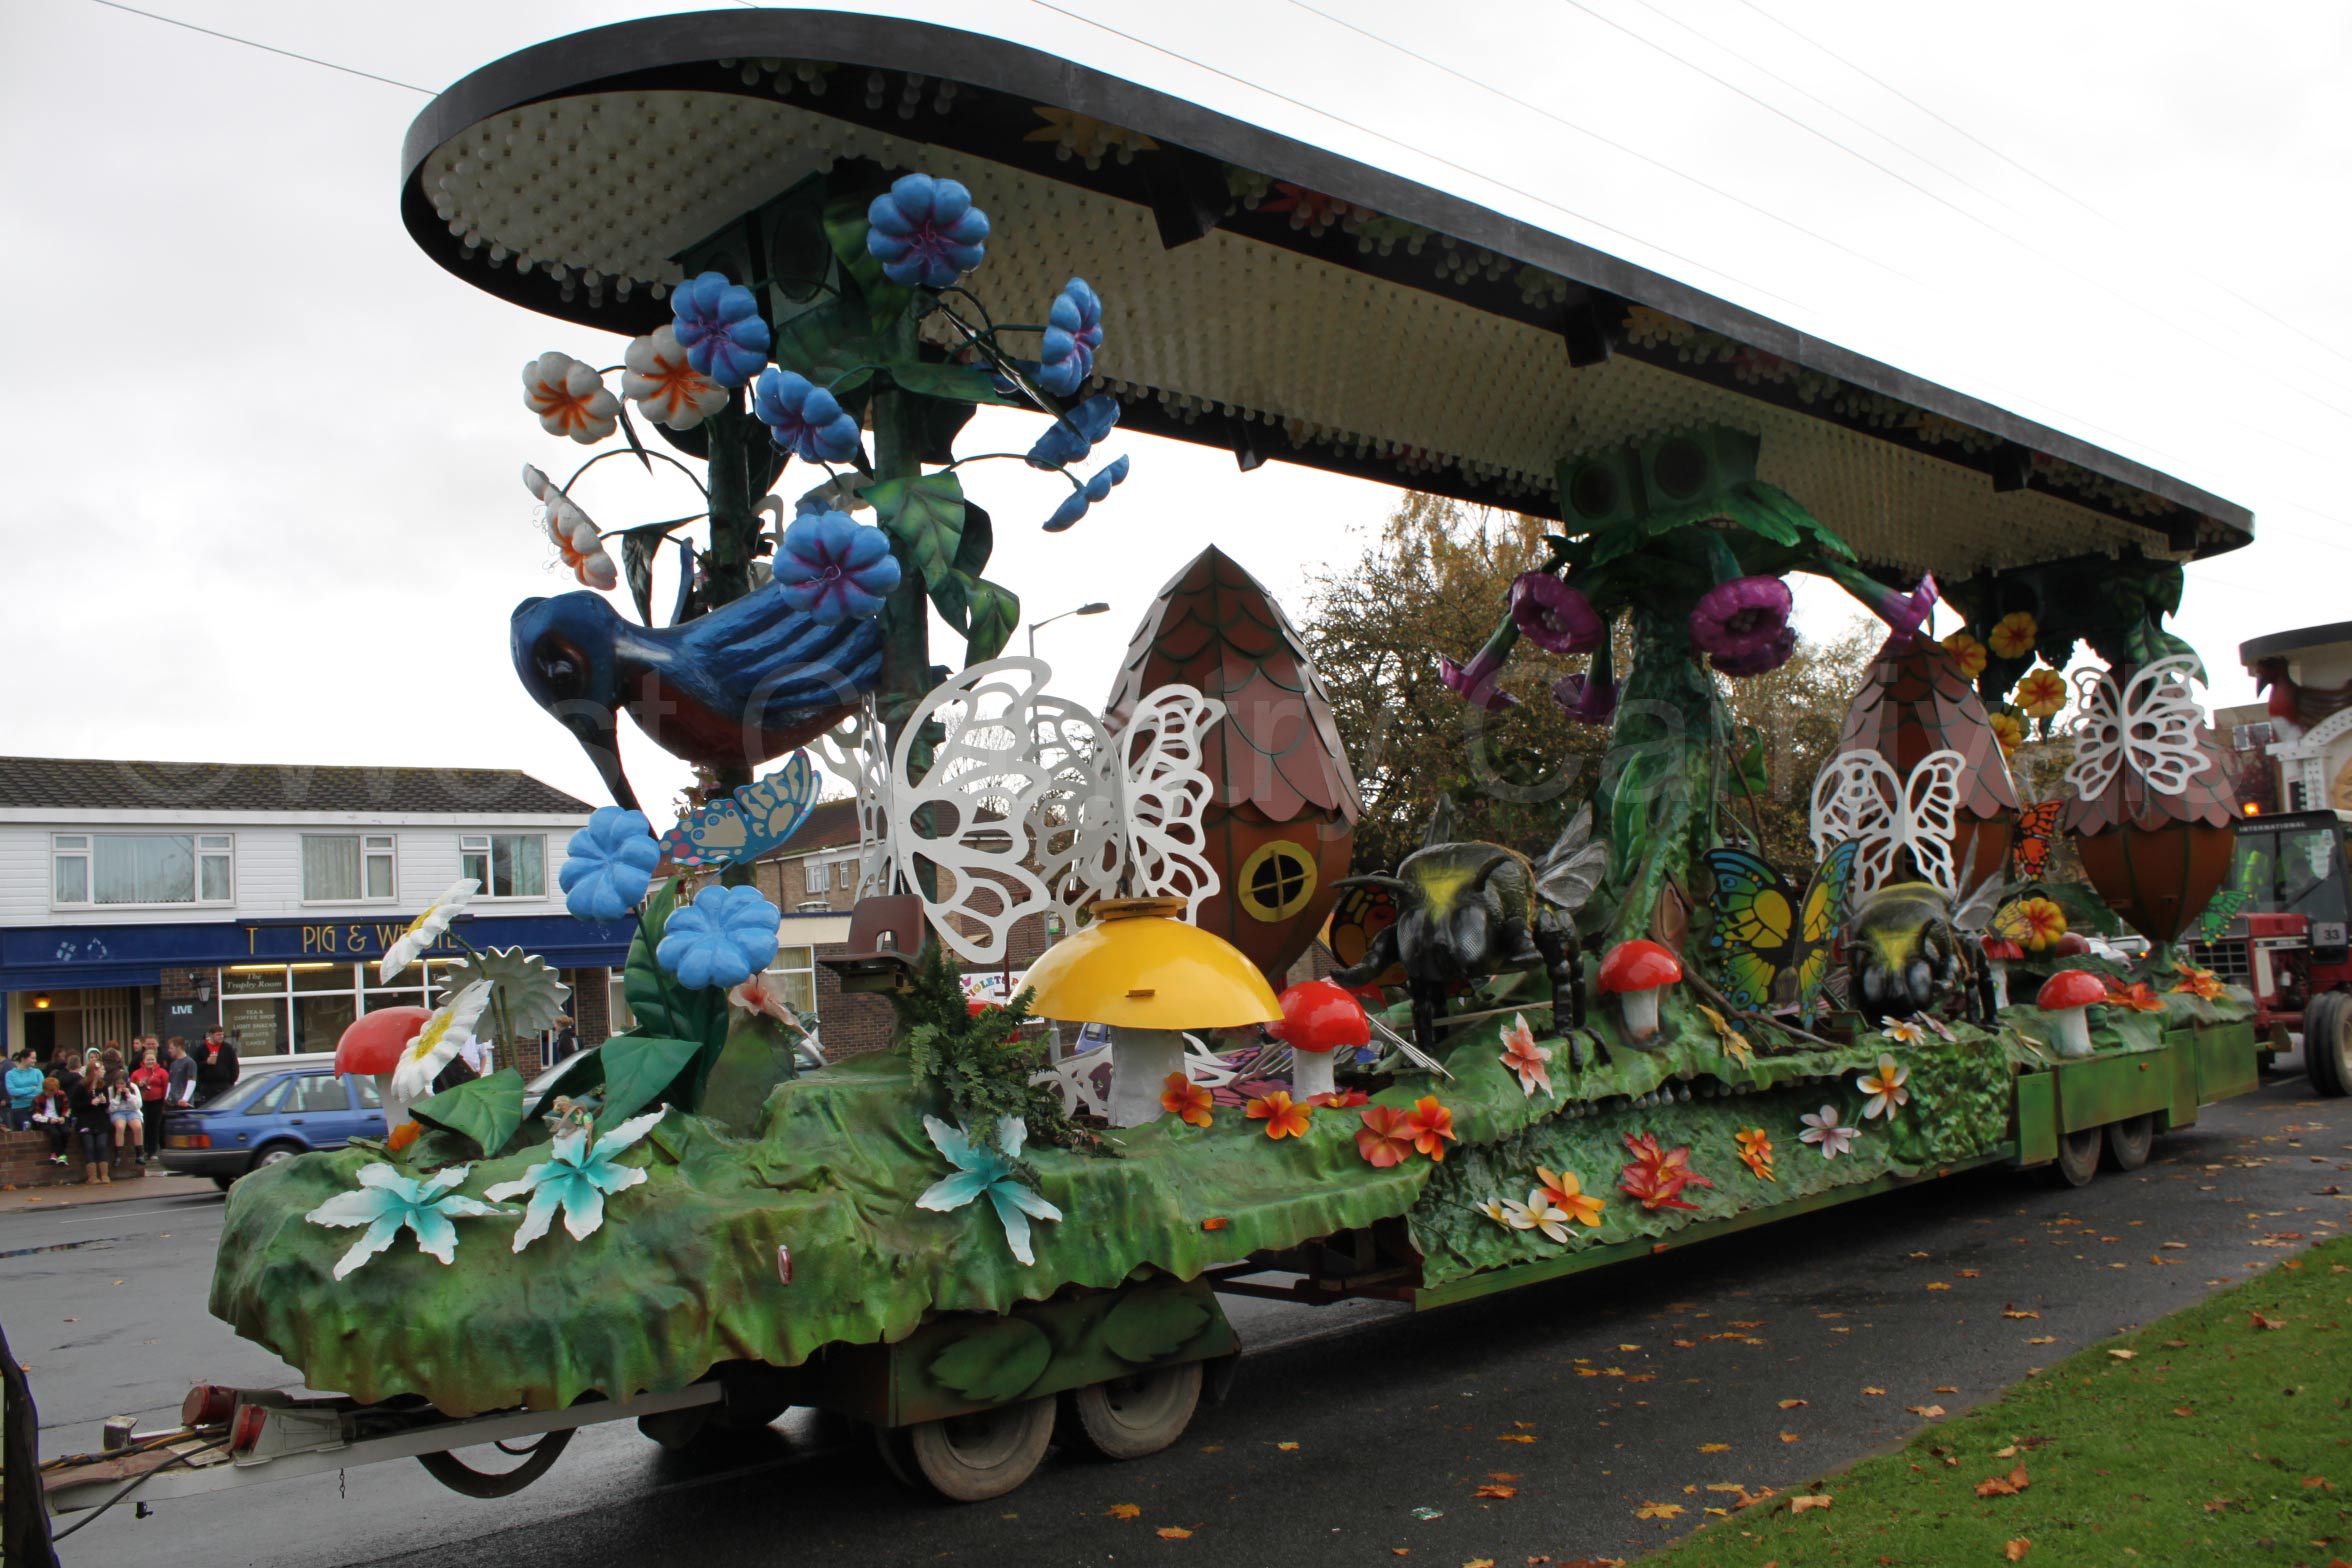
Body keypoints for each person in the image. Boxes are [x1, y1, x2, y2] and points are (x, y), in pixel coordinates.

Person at [69, 1059, 113, 1184]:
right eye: (101, 1069)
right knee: (89, 1146)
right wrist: (90, 1103)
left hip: (100, 1120)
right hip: (85, 1121)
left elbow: (106, 1106)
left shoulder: (103, 1086)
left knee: (101, 1145)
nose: (104, 1071)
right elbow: (75, 1105)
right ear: (94, 1071)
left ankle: (104, 1175)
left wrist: (104, 1102)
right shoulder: (81, 1086)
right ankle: (92, 1176)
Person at [132, 1043, 170, 1163]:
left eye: (152, 1059)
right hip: (142, 1103)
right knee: (145, 1126)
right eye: (148, 1059)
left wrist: (165, 1101)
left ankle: (153, 1151)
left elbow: (166, 1087)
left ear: (156, 1060)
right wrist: (139, 1085)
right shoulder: (137, 1073)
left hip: (157, 1102)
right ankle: (143, 1150)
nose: (150, 1062)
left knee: (155, 1126)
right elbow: (132, 1087)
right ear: (143, 1060)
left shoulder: (162, 1072)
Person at [110, 1061, 146, 1171]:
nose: (120, 1086)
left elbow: (138, 1105)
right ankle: (118, 1155)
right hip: (118, 1112)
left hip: (131, 1111)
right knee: (120, 1127)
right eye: (118, 1084)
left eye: (122, 1084)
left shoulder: (133, 1088)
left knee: (137, 1127)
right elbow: (110, 1108)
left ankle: (139, 1155)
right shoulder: (111, 1090)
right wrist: (117, 1097)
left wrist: (129, 1095)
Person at [29, 1077, 72, 1164]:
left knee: (65, 1132)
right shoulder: (38, 1098)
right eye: (49, 1092)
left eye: (54, 1092)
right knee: (54, 1133)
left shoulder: (61, 1095)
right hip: (45, 1120)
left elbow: (67, 1108)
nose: (51, 1094)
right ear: (44, 1090)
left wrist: (64, 1117)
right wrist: (48, 1120)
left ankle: (55, 1153)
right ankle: (61, 1154)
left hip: (59, 1119)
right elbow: (35, 1115)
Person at [193, 1029, 239, 1103]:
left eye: (222, 1034)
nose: (221, 1036)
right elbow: (195, 1066)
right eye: (218, 1034)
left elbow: (234, 1065)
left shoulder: (227, 1048)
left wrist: (231, 1081)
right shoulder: (201, 1049)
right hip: (207, 1087)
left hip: (225, 1086)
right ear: (211, 1035)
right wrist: (206, 1063)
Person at [5, 1049, 43, 1131]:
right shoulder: (10, 1074)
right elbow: (12, 1092)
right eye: (32, 1058)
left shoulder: (37, 1072)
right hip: (19, 1109)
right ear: (23, 1059)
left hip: (37, 1107)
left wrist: (20, 1095)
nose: (35, 1060)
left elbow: (41, 1090)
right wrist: (31, 1088)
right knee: (24, 1133)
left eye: (35, 1058)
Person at [165, 1037, 197, 1110]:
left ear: (179, 1047)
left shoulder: (190, 1062)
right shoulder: (173, 1064)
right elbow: (170, 1082)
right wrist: (166, 1096)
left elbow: (191, 1081)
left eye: (171, 1048)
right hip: (172, 1102)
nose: (169, 1050)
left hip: (183, 1103)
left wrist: (185, 1099)